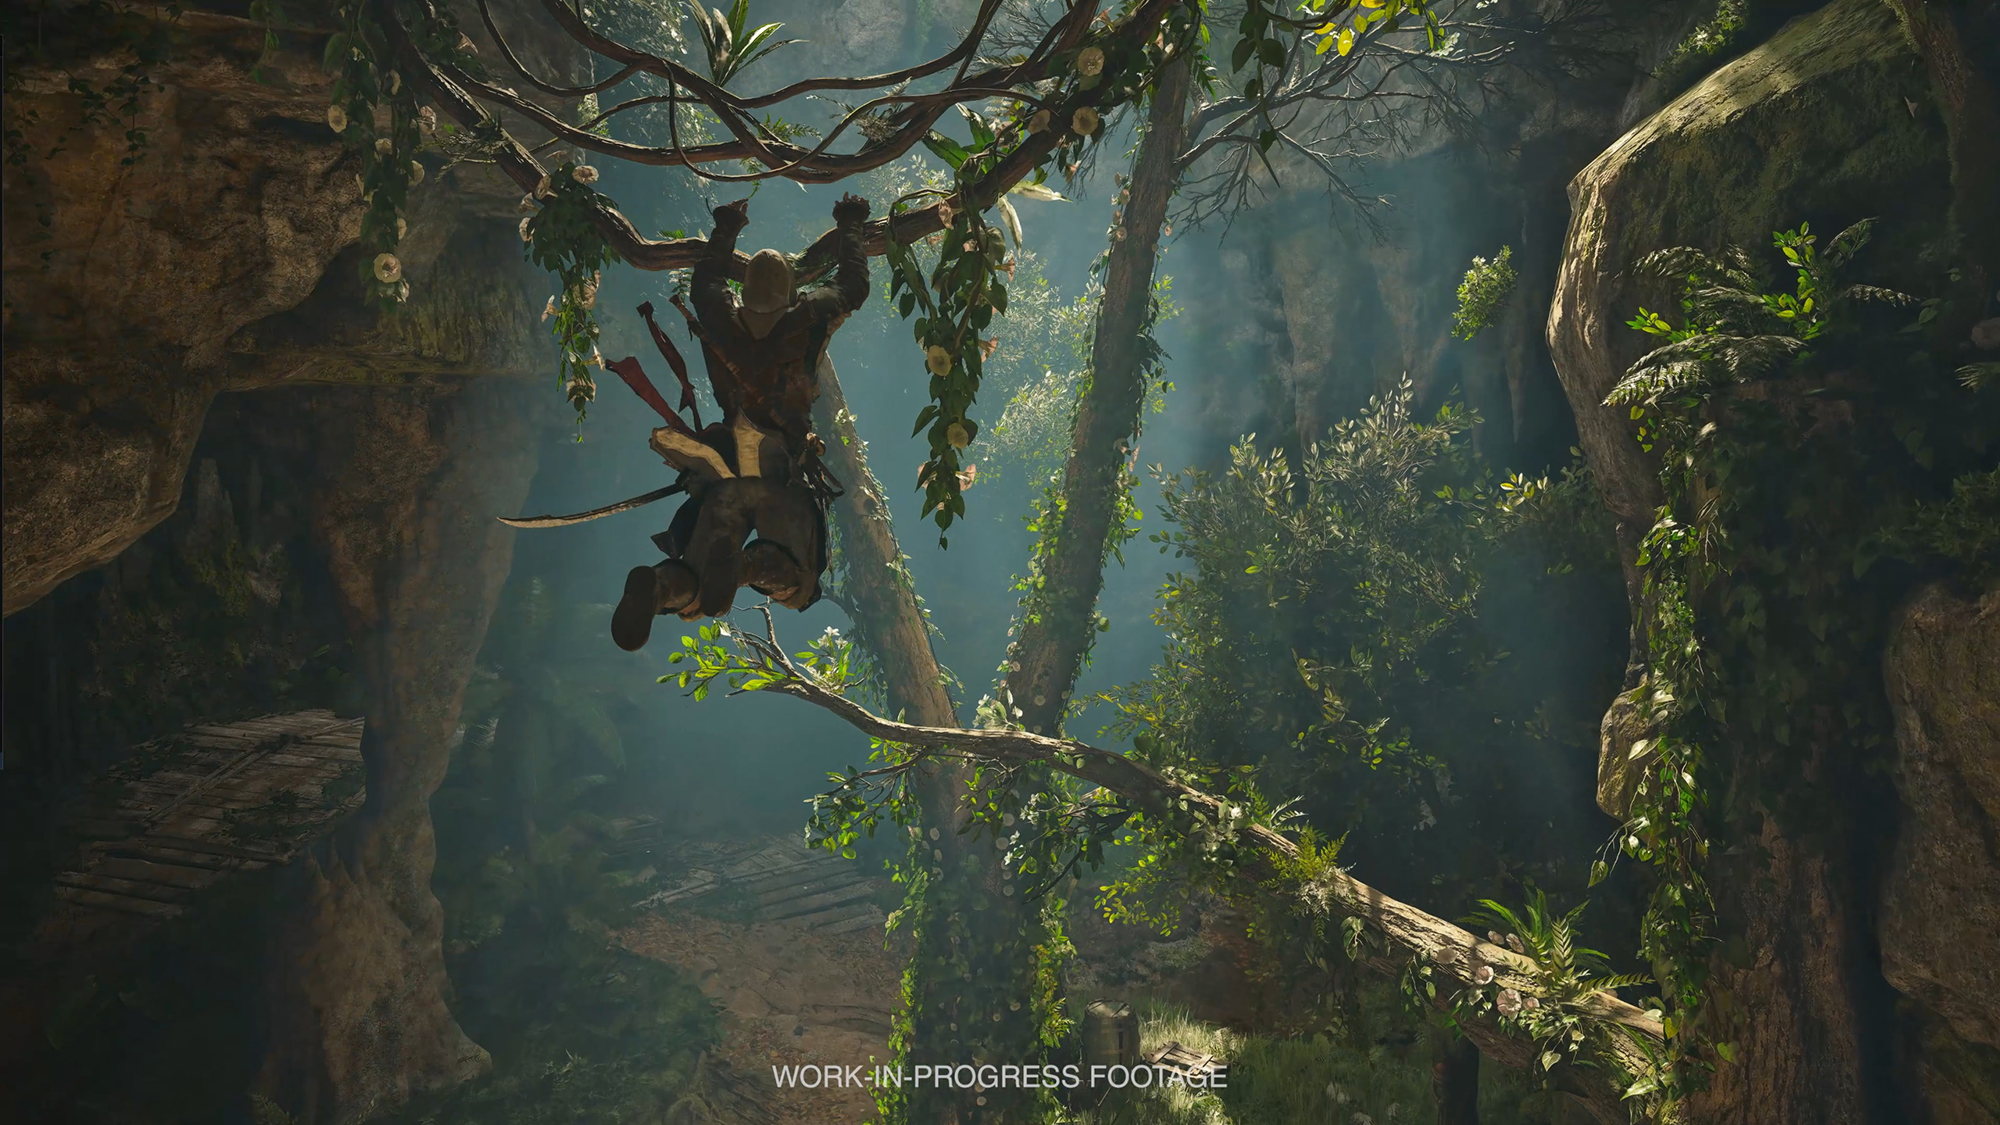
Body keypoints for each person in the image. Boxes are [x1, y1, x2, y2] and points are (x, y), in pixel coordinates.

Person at [610, 192, 871, 652]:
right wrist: (850, 220)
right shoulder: (810, 316)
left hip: (725, 471)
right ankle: (745, 568)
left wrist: (728, 224)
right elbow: (854, 286)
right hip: (780, 473)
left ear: (745, 291)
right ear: (791, 292)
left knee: (692, 570)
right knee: (795, 577)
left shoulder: (718, 316)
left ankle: (659, 588)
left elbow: (706, 279)